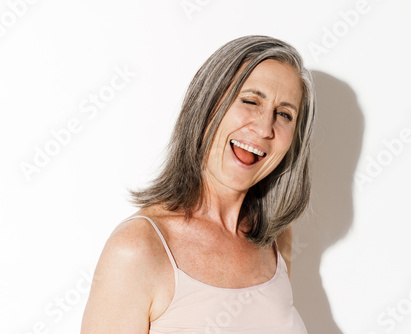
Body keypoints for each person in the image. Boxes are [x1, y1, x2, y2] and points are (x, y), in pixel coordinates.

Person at [81, 35, 316, 333]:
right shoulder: (138, 248)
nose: (264, 128)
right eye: (250, 101)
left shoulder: (275, 237)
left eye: (284, 114)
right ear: (207, 106)